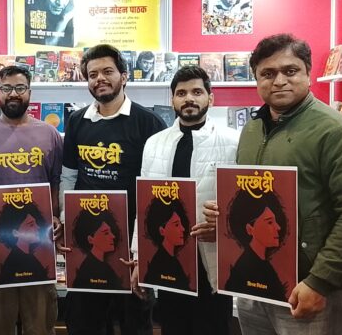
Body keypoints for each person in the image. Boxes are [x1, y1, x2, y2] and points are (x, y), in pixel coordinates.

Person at [204, 34, 342, 334]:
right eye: (268, 74)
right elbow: (256, 199)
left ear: (308, 73)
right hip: (254, 286)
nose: (279, 81)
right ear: (257, 79)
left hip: (307, 289)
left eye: (290, 71)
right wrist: (224, 217)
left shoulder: (338, 131)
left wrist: (320, 281)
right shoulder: (252, 129)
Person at [60, 44, 166, 335]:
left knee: (135, 323)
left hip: (132, 246)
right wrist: (66, 221)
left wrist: (144, 246)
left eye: (107, 71)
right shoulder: (77, 121)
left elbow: (156, 188)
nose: (100, 79)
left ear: (124, 76)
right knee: (85, 322)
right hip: (87, 242)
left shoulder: (149, 123)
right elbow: (68, 177)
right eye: (93, 74)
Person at [133, 65, 238, 335]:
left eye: (196, 92)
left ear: (210, 98)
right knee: (173, 327)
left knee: (213, 328)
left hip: (212, 261)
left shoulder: (233, 142)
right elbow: (145, 205)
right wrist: (139, 258)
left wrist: (224, 226)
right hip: (170, 260)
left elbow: (242, 205)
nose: (189, 98)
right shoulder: (154, 143)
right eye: (181, 93)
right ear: (172, 100)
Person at [0, 65, 63, 335]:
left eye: (20, 88)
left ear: (29, 92)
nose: (13, 94)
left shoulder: (50, 134)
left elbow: (55, 183)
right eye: (7, 88)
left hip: (40, 243)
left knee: (40, 322)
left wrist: (55, 216)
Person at [224, 190, 289, 301]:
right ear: (250, 229)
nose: (278, 227)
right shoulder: (246, 268)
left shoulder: (261, 264)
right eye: (269, 222)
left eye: (275, 221)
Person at [142, 197, 191, 290]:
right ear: (162, 231)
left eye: (181, 224)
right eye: (176, 224)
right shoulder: (161, 262)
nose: (183, 229)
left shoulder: (170, 259)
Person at [0, 202, 50, 285]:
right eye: (31, 225)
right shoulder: (14, 262)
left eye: (36, 223)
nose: (38, 227)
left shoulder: (27, 256)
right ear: (15, 233)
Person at [71, 209, 123, 290]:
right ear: (90, 239)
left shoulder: (102, 265)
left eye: (111, 232)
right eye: (106, 233)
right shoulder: (89, 269)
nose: (113, 236)